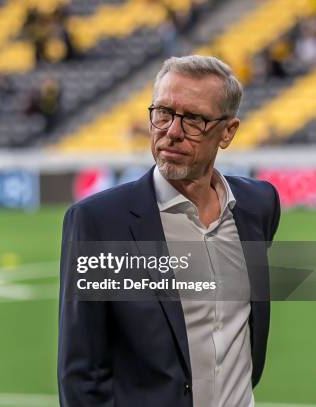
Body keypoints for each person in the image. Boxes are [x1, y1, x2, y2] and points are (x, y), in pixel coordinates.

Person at [58, 55, 280, 407]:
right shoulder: (98, 223)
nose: (172, 132)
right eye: (163, 112)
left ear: (228, 132)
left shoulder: (259, 204)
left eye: (193, 119)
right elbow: (82, 374)